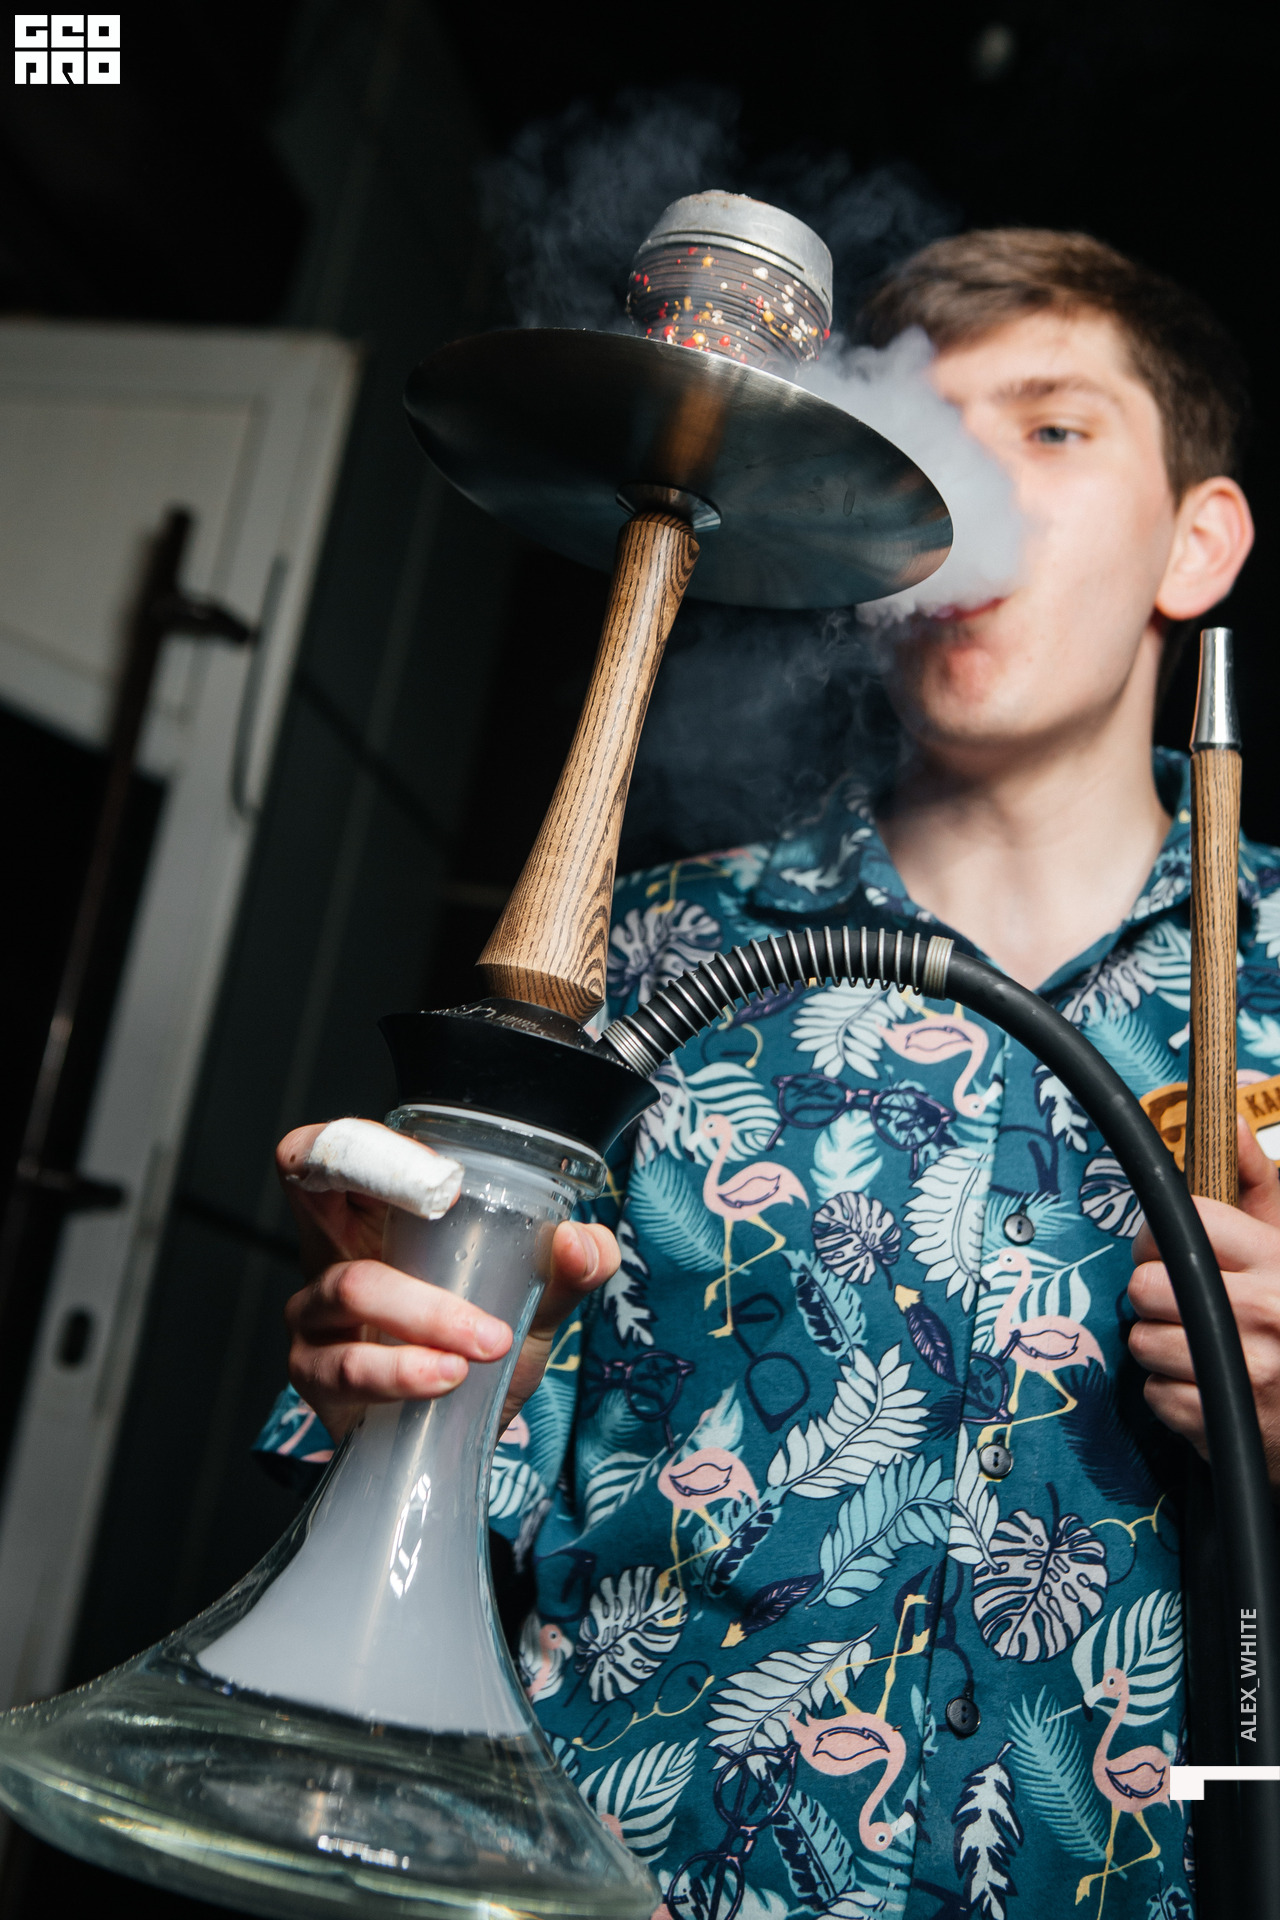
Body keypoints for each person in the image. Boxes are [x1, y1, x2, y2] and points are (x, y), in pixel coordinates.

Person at [257, 230, 1280, 1917]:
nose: (978, 488)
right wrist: (407, 1401)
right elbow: (396, 1543)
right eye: (929, 433)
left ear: (1199, 541)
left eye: (1053, 427)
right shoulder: (638, 950)